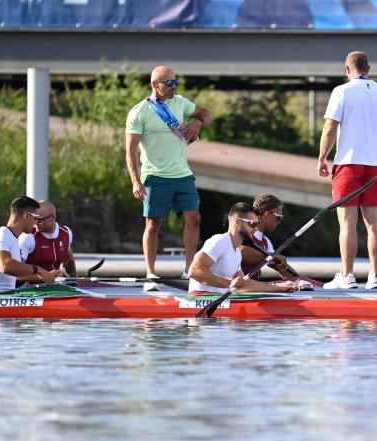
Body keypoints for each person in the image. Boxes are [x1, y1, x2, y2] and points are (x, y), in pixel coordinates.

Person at [317, 51, 377, 290]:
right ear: (369, 68)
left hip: (347, 164)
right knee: (374, 223)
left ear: (347, 69)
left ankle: (348, 275)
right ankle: (375, 276)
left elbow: (330, 127)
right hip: (374, 166)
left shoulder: (341, 92)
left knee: (347, 223)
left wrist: (322, 158)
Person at [125, 65, 212, 290]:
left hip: (182, 174)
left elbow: (206, 113)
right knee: (153, 224)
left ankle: (189, 270)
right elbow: (130, 150)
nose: (174, 86)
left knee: (194, 217)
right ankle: (151, 274)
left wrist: (197, 122)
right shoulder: (139, 111)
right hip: (154, 175)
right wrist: (135, 180)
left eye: (176, 82)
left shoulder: (180, 103)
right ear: (155, 85)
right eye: (170, 83)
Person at [188, 202, 296, 294]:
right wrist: (230, 283)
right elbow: (194, 271)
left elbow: (245, 284)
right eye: (252, 224)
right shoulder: (219, 241)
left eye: (256, 223)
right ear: (238, 222)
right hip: (200, 298)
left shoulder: (236, 252)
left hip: (220, 301)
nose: (255, 229)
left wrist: (279, 288)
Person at [0, 196, 57, 293]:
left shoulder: (13, 238)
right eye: (35, 218)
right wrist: (38, 269)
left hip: (6, 296)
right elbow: (5, 266)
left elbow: (16, 275)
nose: (36, 223)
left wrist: (45, 275)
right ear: (26, 216)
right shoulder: (1, 235)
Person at [18, 200, 76, 281]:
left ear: (52, 217)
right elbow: (16, 275)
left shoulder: (66, 232)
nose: (35, 223)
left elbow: (68, 260)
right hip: (30, 289)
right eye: (34, 218)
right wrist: (46, 277)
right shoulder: (27, 237)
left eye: (39, 220)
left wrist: (74, 282)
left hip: (52, 287)